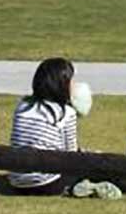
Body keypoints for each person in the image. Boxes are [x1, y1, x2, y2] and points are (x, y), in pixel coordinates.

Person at [8, 57, 83, 195]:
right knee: (90, 164)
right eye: (71, 81)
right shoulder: (66, 113)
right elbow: (71, 155)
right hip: (49, 182)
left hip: (17, 182)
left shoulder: (22, 106)